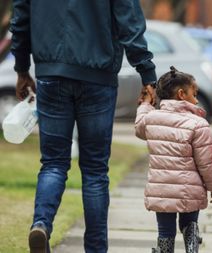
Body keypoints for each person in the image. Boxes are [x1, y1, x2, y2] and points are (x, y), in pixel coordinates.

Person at [9, 1, 157, 252]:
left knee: (53, 163)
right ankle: (96, 248)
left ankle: (41, 224)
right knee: (95, 171)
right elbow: (129, 20)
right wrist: (147, 73)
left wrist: (22, 68)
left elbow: (21, 18)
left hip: (51, 74)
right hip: (98, 77)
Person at [135, 66, 212, 253]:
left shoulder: (152, 119)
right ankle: (192, 248)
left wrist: (145, 103)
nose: (197, 99)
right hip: (189, 189)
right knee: (190, 223)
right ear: (182, 94)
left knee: (165, 231)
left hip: (161, 189)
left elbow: (139, 127)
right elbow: (206, 161)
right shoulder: (197, 124)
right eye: (195, 93)